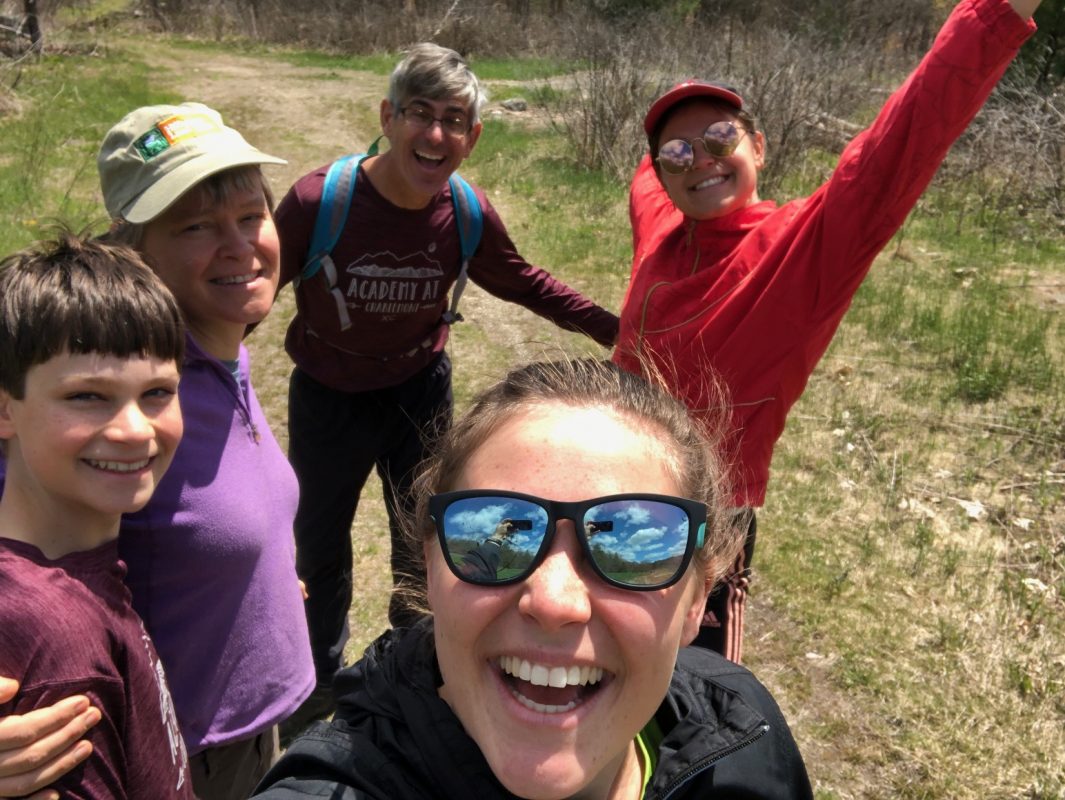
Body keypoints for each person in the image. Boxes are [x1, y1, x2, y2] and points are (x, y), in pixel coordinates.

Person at [613, 0, 1043, 661]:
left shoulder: (806, 248)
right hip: (605, 486)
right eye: (677, 151)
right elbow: (643, 180)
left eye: (720, 138)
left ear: (758, 145)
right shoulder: (661, 228)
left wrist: (992, 16)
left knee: (694, 702)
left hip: (702, 518)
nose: (700, 160)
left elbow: (902, 139)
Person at [252, 358, 812, 799]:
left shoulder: (748, 732)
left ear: (697, 598)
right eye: (494, 533)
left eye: (624, 546)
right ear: (429, 563)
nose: (554, 600)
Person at [274, 42, 619, 729]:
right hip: (327, 395)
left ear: (473, 136)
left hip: (418, 390)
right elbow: (254, 292)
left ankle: (415, 670)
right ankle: (314, 691)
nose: (434, 135)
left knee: (427, 536)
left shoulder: (464, 211)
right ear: (388, 116)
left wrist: (618, 329)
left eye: (453, 120)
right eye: (419, 114)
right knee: (319, 544)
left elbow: (522, 280)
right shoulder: (323, 200)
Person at [0, 102, 316, 800]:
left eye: (250, 214)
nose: (238, 245)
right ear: (132, 247)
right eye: (196, 225)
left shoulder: (202, 358)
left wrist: (258, 574)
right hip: (173, 757)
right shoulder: (106, 392)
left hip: (250, 729)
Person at [0, 233, 192, 799]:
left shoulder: (76, 574)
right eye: (87, 396)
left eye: (158, 391)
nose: (135, 429)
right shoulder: (58, 642)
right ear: (4, 410)